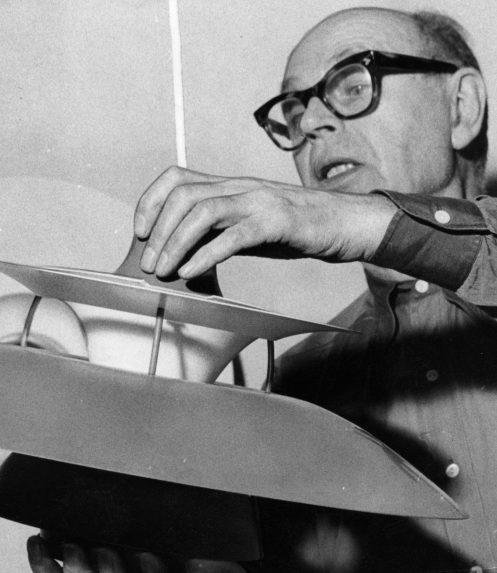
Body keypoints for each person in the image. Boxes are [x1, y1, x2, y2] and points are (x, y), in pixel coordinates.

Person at [28, 6, 497, 572]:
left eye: (353, 84)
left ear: (461, 107)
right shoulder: (300, 387)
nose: (312, 122)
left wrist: (347, 219)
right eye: (295, 110)